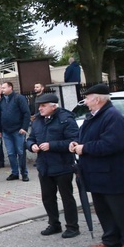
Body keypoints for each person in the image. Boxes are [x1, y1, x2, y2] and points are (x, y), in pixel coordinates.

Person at [69, 84, 124, 247]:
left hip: (113, 173)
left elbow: (113, 144)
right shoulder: (93, 116)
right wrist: (76, 143)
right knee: (103, 208)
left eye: (87, 98)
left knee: (120, 209)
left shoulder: (112, 116)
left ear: (96, 99)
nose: (85, 101)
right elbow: (83, 136)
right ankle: (110, 238)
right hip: (96, 173)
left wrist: (85, 148)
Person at [26, 94, 80, 238]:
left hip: (62, 164)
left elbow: (74, 140)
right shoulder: (38, 120)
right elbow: (30, 138)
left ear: (53, 106)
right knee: (48, 197)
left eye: (43, 106)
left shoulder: (65, 119)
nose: (40, 108)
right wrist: (32, 146)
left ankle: (72, 227)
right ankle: (54, 224)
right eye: (39, 106)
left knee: (66, 197)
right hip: (44, 166)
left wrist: (52, 145)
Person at [0, 82, 30, 182]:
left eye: (4, 87)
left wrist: (24, 127)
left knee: (21, 152)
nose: (2, 89)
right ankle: (14, 173)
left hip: (18, 130)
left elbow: (26, 113)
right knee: (10, 153)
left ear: (10, 88)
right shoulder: (1, 101)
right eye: (1, 88)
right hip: (6, 131)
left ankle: (24, 173)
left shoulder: (19, 98)